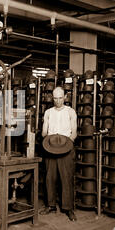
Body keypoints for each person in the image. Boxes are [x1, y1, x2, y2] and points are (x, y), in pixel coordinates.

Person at [41, 87, 78, 221]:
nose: (58, 101)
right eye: (55, 98)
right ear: (52, 98)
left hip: (66, 147)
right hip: (50, 147)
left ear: (65, 97)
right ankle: (50, 205)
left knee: (66, 178)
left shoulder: (71, 112)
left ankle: (68, 208)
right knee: (49, 177)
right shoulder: (48, 112)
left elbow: (74, 133)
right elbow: (44, 132)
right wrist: (50, 139)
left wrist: (64, 144)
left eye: (60, 98)